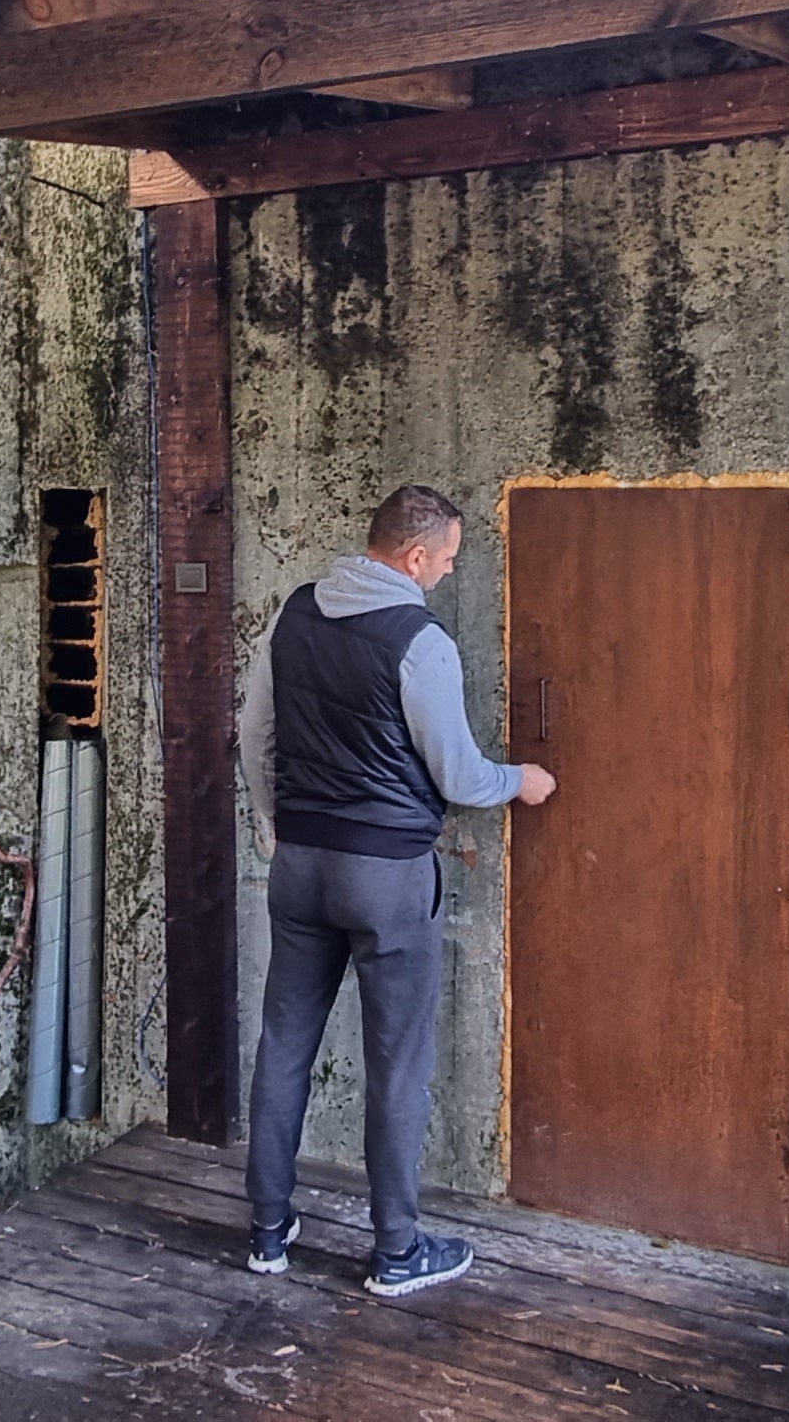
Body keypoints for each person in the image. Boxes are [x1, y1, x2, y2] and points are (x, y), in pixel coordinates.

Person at [234, 484, 554, 1297]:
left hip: (301, 865)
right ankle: (397, 1252)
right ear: (414, 556)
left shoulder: (294, 612)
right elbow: (456, 771)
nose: (445, 574)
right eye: (446, 560)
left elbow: (254, 737)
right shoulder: (421, 640)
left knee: (283, 1046)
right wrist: (522, 781)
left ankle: (269, 1233)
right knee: (396, 1062)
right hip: (387, 876)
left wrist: (282, 825)